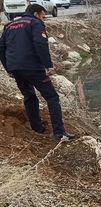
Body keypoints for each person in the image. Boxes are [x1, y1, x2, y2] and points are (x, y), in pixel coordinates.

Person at [0, 4, 74, 141]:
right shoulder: (35, 23)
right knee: (52, 97)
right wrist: (49, 66)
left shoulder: (9, 26)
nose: (43, 19)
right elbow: (40, 44)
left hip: (16, 68)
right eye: (42, 16)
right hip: (33, 68)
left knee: (29, 96)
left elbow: (1, 48)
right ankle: (59, 133)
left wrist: (8, 68)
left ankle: (37, 128)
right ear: (36, 14)